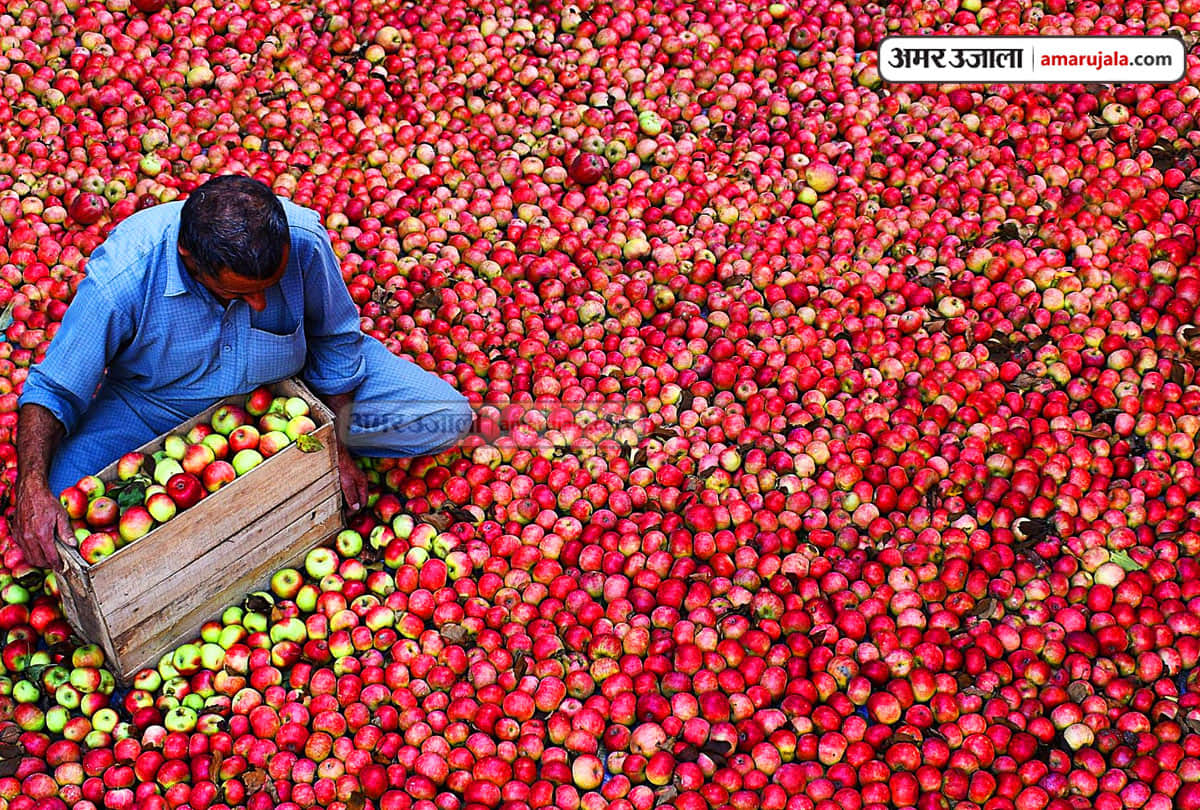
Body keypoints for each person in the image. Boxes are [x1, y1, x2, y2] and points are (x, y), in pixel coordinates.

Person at [14, 174, 473, 569]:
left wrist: (336, 437)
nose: (258, 304)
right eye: (238, 293)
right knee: (63, 518)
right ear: (190, 258)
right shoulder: (124, 277)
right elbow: (54, 388)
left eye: (267, 290)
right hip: (156, 404)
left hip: (295, 391)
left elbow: (334, 338)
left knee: (446, 417)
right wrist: (31, 487)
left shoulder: (305, 241)